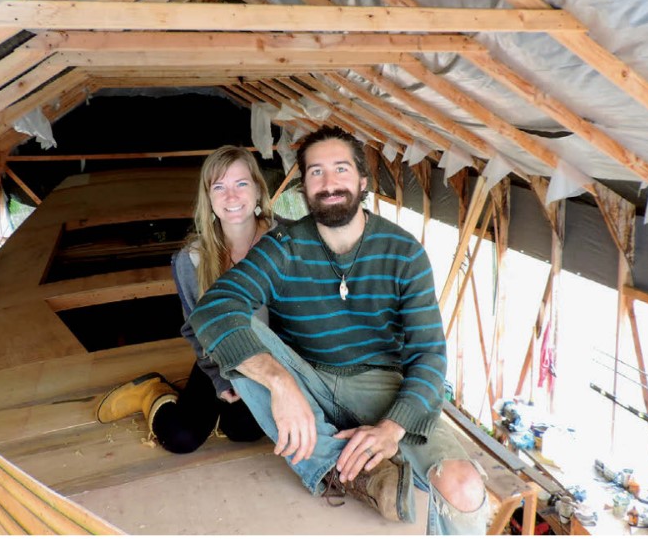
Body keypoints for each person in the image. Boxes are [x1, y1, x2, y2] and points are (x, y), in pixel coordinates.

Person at [188, 127, 489, 534]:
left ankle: (372, 457)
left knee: (464, 486)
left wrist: (392, 428)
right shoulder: (283, 246)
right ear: (304, 186)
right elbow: (213, 309)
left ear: (363, 181)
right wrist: (280, 382)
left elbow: (429, 356)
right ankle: (343, 468)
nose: (329, 183)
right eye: (316, 172)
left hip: (382, 386)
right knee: (240, 337)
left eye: (340, 169)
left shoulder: (404, 253)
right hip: (306, 379)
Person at [95, 146, 275, 454]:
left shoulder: (287, 240)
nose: (231, 196)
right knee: (180, 438)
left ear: (258, 189)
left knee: (242, 429)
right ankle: (152, 391)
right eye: (219, 187)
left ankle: (230, 415)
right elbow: (195, 329)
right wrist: (220, 380)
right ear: (208, 198)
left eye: (241, 183)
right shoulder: (191, 259)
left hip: (277, 362)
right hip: (224, 358)